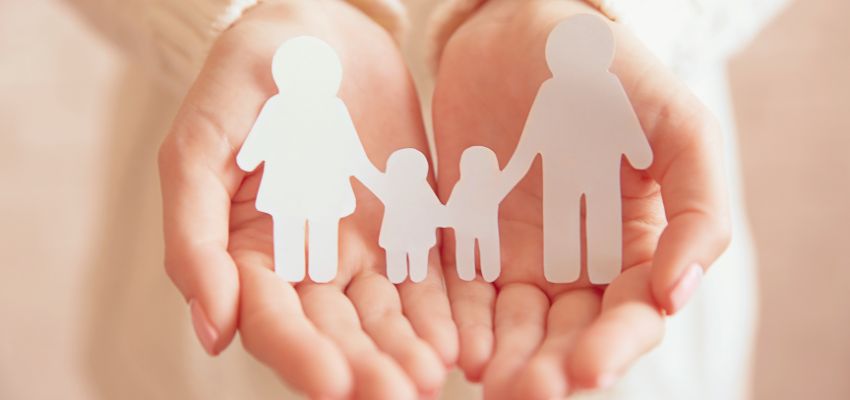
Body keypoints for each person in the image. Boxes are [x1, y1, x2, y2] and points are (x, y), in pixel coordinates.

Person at [55, 0, 788, 399]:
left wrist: (621, 13)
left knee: (572, 229)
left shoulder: (589, 93)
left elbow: (539, 146)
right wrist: (246, 13)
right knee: (310, 236)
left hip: (615, 265)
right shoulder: (297, 106)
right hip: (243, 268)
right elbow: (312, 148)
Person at [499, 15, 653, 285]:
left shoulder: (598, 85)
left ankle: (595, 266)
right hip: (579, 170)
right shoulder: (557, 89)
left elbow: (624, 122)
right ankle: (568, 266)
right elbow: (533, 136)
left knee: (587, 213)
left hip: (580, 170)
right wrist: (639, 153)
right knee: (576, 214)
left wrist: (639, 151)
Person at [236, 36, 380, 283]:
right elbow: (352, 153)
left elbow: (351, 152)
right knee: (308, 225)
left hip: (292, 185)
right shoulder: (318, 107)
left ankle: (310, 269)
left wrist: (247, 160)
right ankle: (312, 269)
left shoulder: (284, 106)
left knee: (297, 226)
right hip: (318, 185)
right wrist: (377, 181)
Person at [368, 148, 444, 283]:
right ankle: (401, 274)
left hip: (411, 234)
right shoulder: (394, 188)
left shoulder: (421, 190)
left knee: (414, 254)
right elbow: (435, 209)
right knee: (400, 255)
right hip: (404, 234)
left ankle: (412, 274)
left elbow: (434, 208)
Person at [445, 146, 515, 282]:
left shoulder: (464, 186)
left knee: (475, 246)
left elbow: (452, 205)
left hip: (474, 227)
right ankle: (477, 272)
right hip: (475, 227)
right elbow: (453, 205)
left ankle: (485, 272)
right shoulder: (463, 186)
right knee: (474, 247)